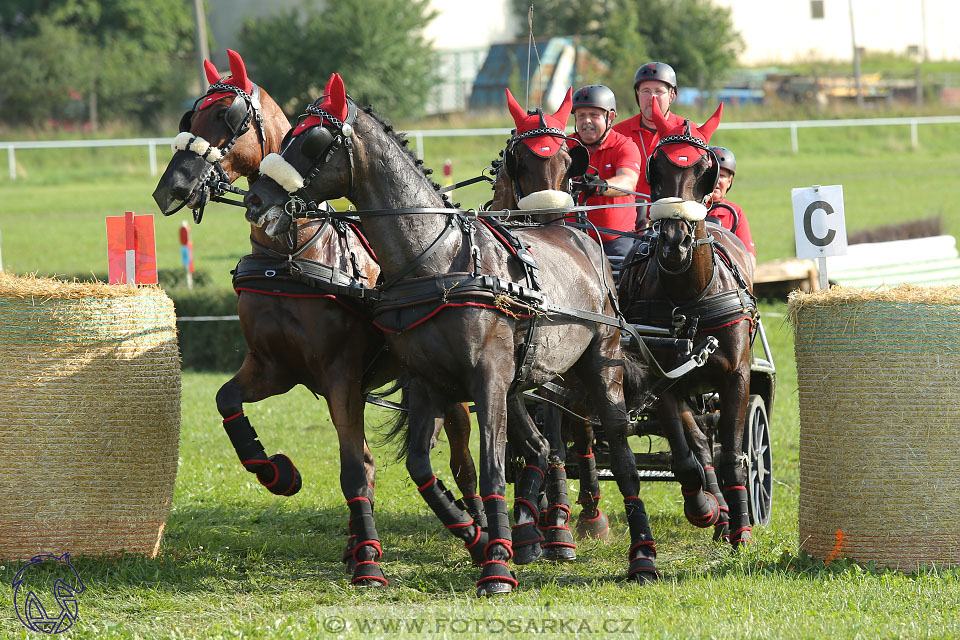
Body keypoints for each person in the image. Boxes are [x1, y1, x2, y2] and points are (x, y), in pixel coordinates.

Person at [569, 84, 643, 257]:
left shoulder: (625, 146)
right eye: (581, 116)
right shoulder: (565, 146)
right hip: (571, 238)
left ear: (610, 117)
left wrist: (600, 186)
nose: (586, 121)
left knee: (625, 278)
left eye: (594, 115)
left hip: (616, 240)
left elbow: (628, 181)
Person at [612, 62, 684, 214]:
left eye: (659, 91)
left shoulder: (688, 132)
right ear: (637, 95)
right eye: (645, 91)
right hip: (629, 217)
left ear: (671, 96)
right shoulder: (618, 133)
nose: (652, 97)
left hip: (673, 217)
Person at [706, 145, 757, 265]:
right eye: (712, 175)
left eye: (722, 176)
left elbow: (749, 258)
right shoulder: (691, 210)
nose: (717, 180)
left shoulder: (735, 213)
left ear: (729, 182)